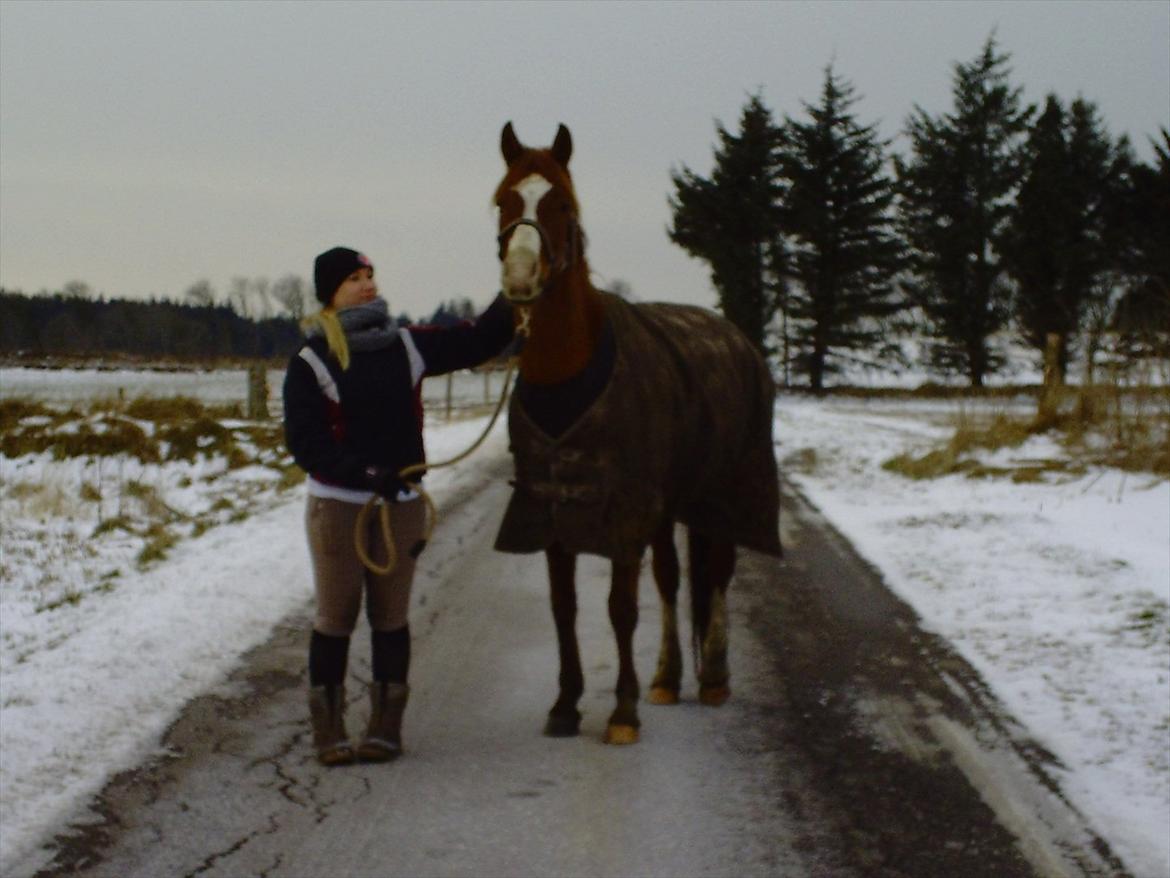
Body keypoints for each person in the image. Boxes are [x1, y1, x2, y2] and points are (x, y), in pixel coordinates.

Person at [283, 246, 513, 765]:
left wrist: (514, 286)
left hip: (401, 505)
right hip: (338, 508)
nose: (367, 286)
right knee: (335, 617)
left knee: (390, 617)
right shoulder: (311, 359)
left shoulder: (406, 345)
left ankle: (386, 728)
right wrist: (365, 473)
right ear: (330, 293)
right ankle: (330, 732)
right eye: (353, 280)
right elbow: (306, 442)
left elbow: (477, 341)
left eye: (369, 276)